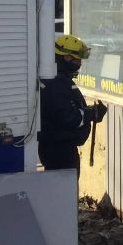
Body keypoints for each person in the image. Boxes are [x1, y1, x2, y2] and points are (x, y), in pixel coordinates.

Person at [38, 34, 107, 178]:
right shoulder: (56, 83)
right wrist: (92, 113)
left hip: (60, 148)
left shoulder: (58, 79)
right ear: (67, 58)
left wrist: (88, 111)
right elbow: (67, 118)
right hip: (59, 152)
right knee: (63, 189)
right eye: (78, 59)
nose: (80, 63)